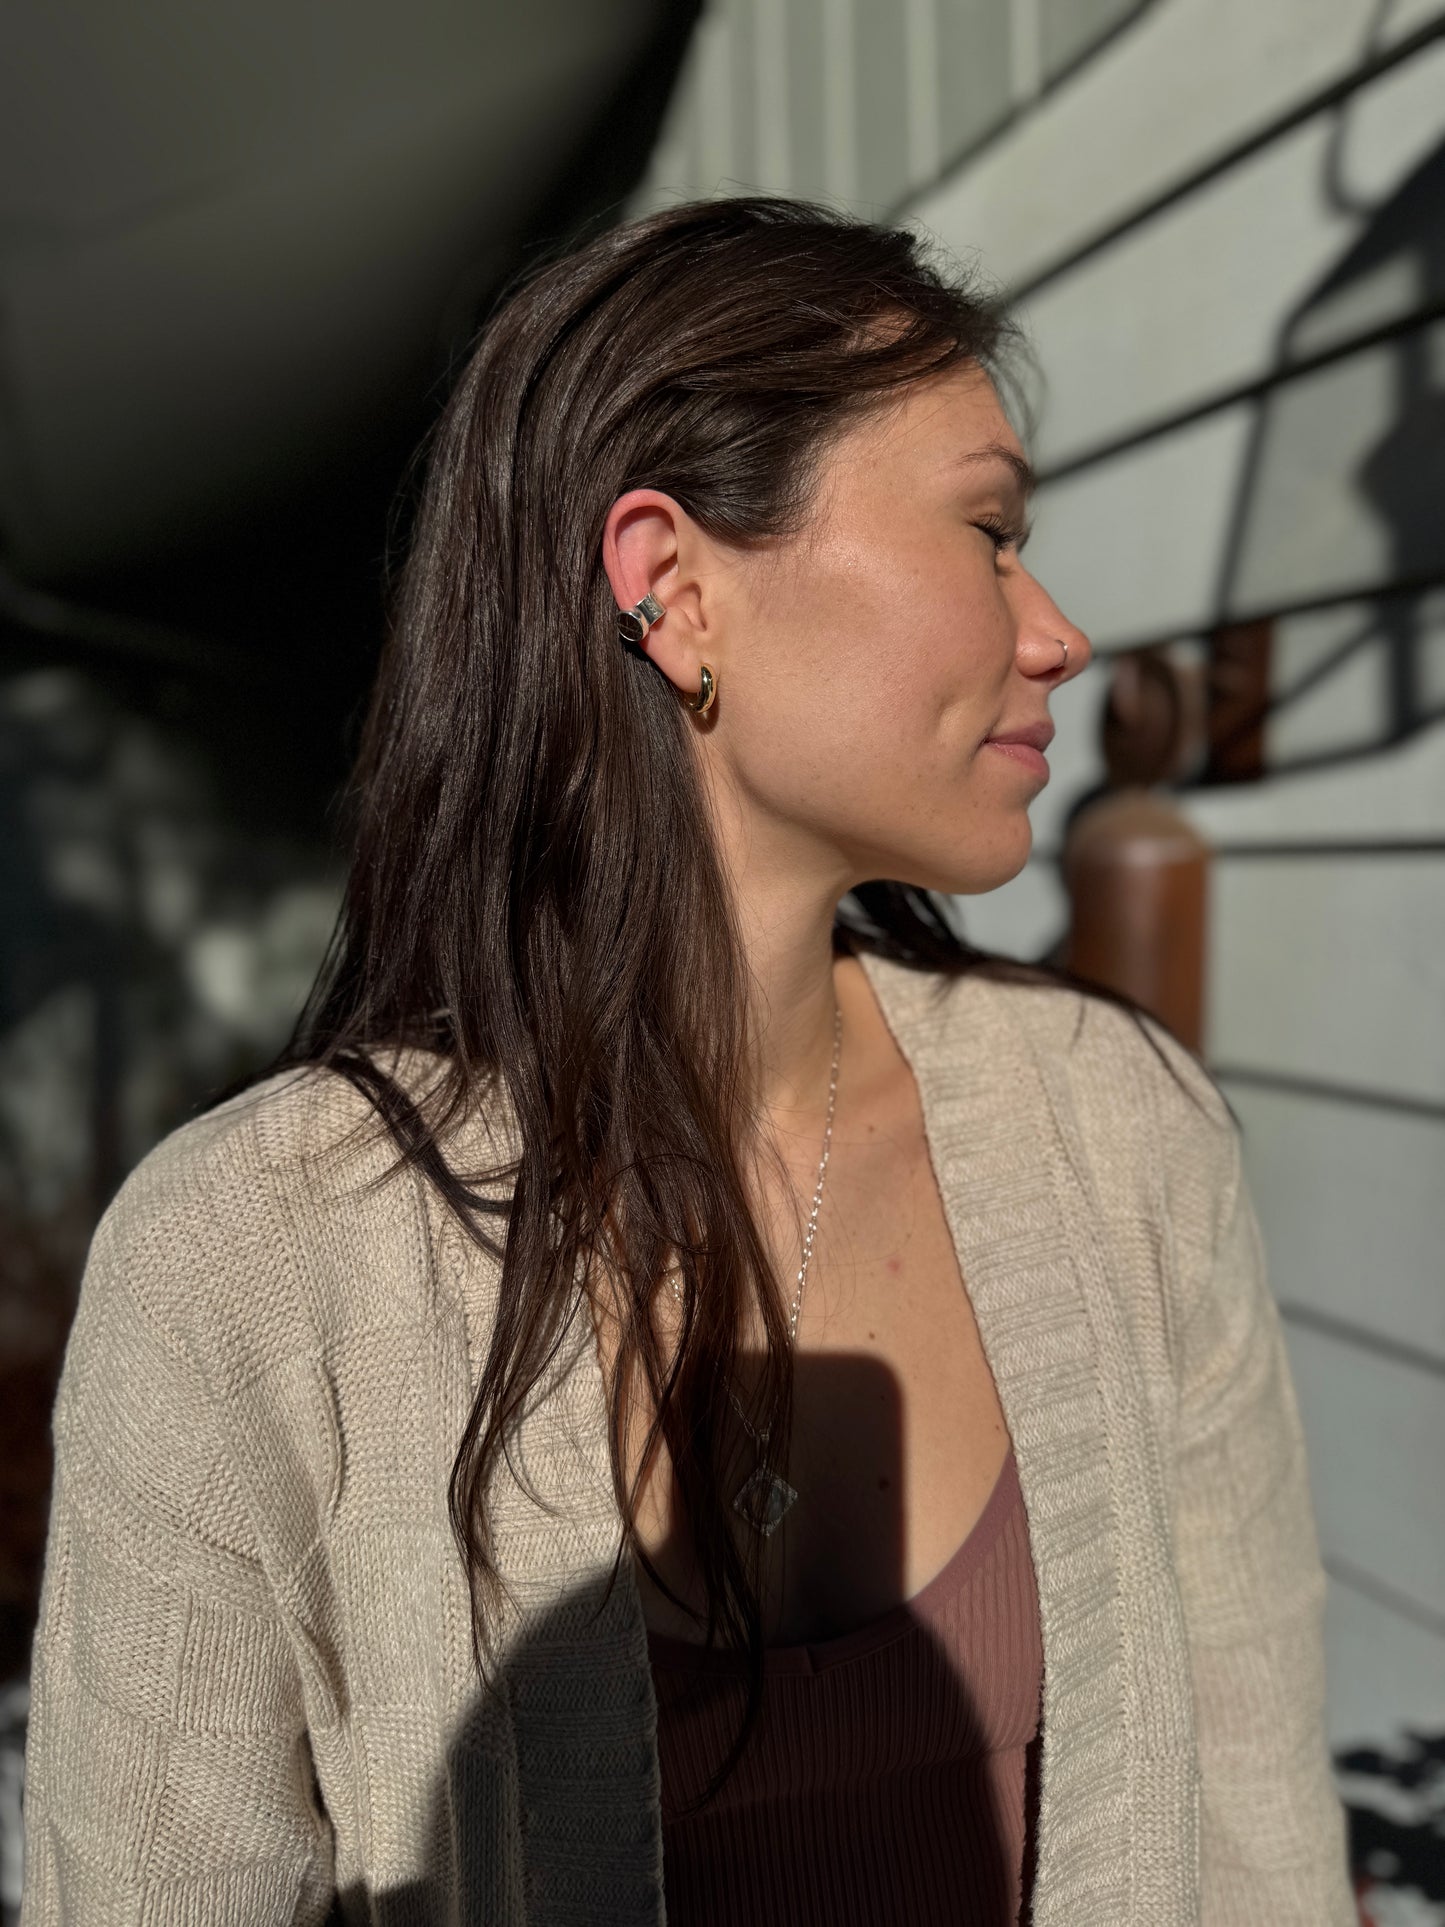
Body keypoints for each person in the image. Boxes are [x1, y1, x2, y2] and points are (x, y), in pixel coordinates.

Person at [19, 195, 1355, 1926]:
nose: (1057, 634)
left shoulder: (1119, 1132)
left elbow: (1256, 1845)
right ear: (671, 586)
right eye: (987, 530)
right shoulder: (248, 1265)